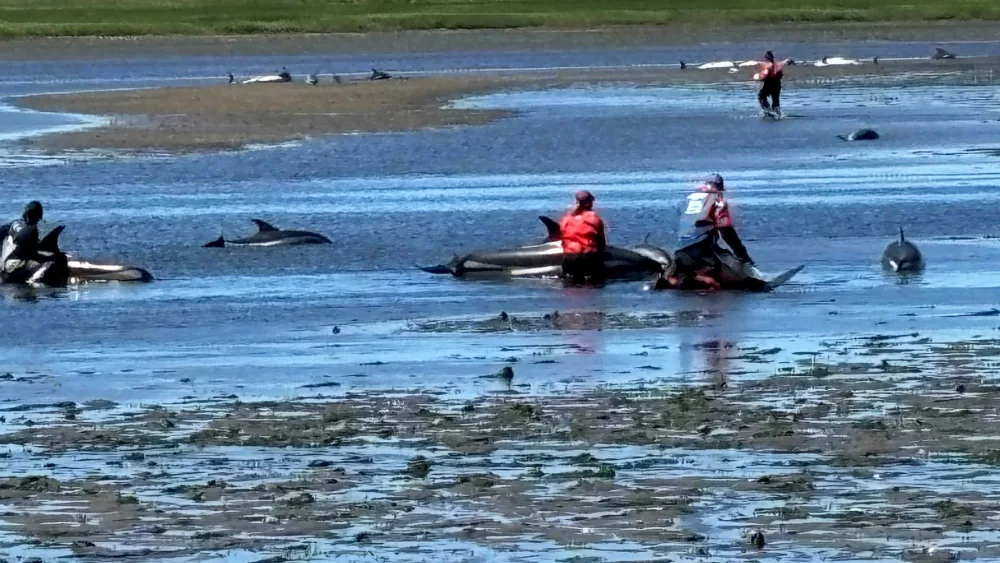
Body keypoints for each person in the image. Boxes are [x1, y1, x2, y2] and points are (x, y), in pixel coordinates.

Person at [673, 174, 752, 289]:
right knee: (733, 270)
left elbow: (684, 221)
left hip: (680, 248)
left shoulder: (688, 198)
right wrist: (742, 254)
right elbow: (726, 230)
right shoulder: (717, 199)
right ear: (720, 187)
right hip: (700, 248)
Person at [559, 190, 606, 284]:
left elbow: (563, 241)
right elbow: (601, 242)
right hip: (587, 256)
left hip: (569, 257)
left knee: (570, 283)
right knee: (596, 283)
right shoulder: (593, 218)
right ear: (590, 203)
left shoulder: (566, 219)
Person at [1, 201, 46, 284]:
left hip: (4, 267)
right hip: (12, 272)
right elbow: (32, 254)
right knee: (47, 263)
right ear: (38, 216)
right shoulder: (32, 229)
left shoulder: (15, 223)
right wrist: (45, 258)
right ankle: (32, 280)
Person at [755, 50, 784, 115]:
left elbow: (766, 75)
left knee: (761, 95)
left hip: (769, 85)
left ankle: (767, 110)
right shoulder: (777, 65)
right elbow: (779, 74)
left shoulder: (768, 66)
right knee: (775, 101)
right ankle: (778, 114)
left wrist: (760, 79)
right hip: (777, 85)